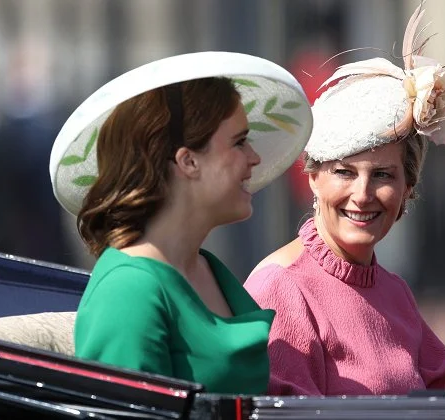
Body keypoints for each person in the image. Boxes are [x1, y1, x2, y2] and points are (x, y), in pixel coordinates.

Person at [48, 52, 313, 394]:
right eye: (238, 142)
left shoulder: (207, 268)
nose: (255, 157)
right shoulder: (129, 290)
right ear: (188, 161)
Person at [244, 5, 445, 396]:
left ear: (408, 188)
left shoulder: (394, 291)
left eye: (382, 175)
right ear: (312, 178)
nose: (362, 195)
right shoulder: (281, 288)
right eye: (344, 172)